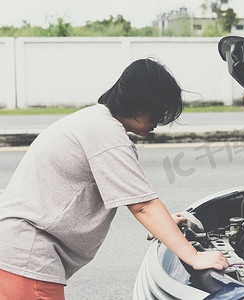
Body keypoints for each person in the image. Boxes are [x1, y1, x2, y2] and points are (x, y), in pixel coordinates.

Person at [0, 58, 229, 299]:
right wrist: (193, 256)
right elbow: (142, 206)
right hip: (27, 258)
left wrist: (166, 226)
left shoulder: (93, 120)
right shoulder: (108, 135)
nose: (159, 122)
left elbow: (129, 196)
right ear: (141, 103)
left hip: (14, 250)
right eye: (159, 112)